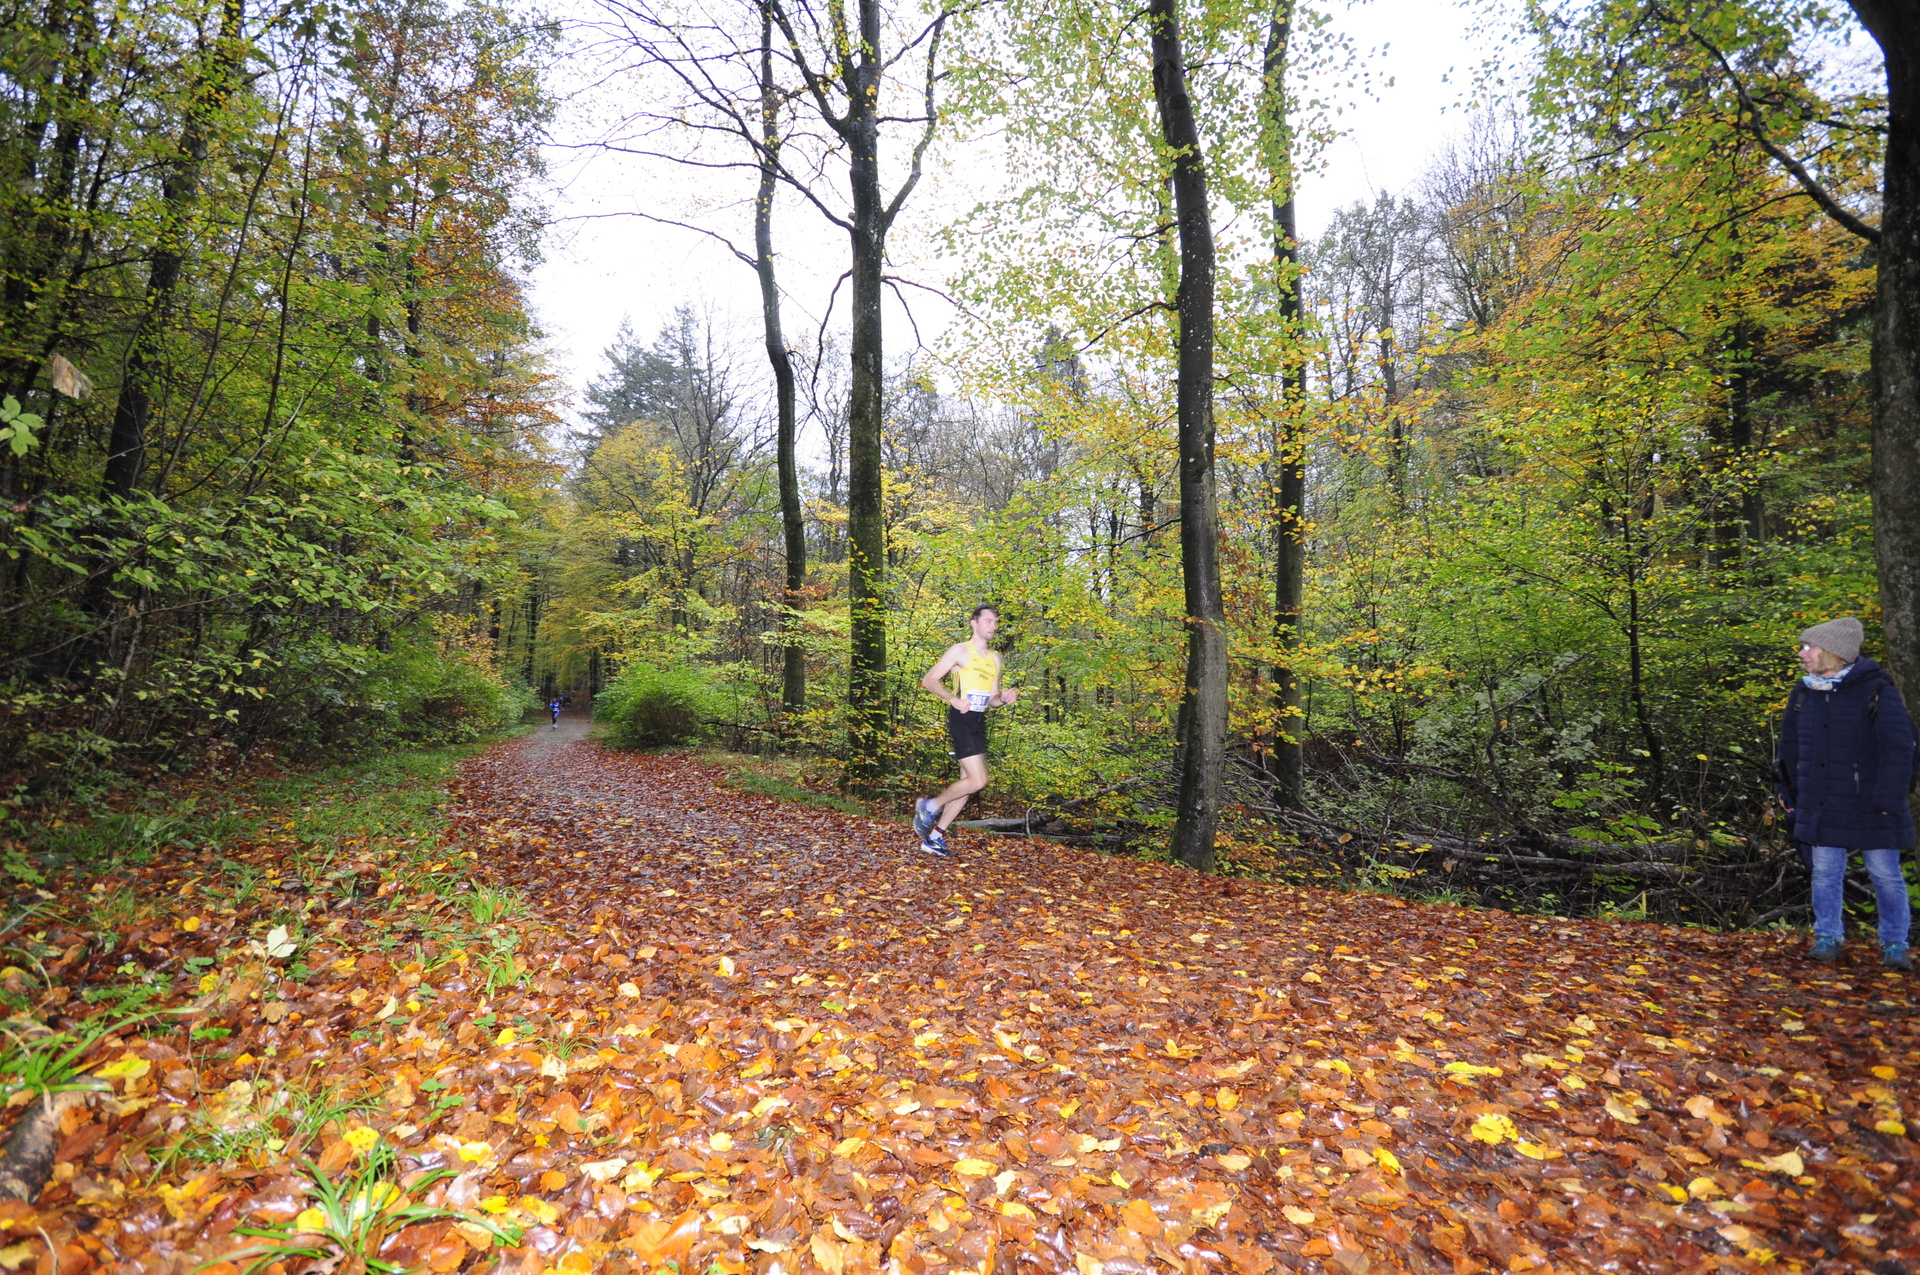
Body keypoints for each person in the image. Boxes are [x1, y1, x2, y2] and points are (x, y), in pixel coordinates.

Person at [1775, 616, 1918, 969]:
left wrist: (1889, 798)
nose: (1802, 654)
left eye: (1808, 647)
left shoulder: (1876, 690)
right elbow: (1789, 748)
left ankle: (1895, 945)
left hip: (1872, 805)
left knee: (1885, 873)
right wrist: (1785, 789)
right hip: (1820, 803)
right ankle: (1827, 937)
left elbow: (1902, 748)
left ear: (1833, 652)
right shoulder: (1803, 692)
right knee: (1824, 872)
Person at [911, 604, 1019, 857]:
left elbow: (992, 698)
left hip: (979, 722)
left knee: (967, 784)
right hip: (961, 717)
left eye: (996, 622)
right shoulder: (960, 651)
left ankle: (935, 838)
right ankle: (930, 805)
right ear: (974, 623)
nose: (993, 626)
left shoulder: (994, 658)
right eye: (988, 621)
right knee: (979, 780)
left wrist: (1003, 698)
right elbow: (929, 680)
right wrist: (953, 699)